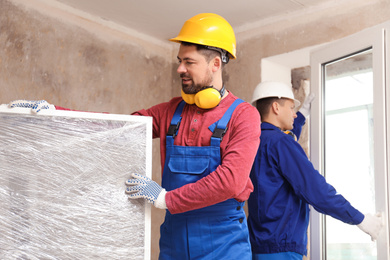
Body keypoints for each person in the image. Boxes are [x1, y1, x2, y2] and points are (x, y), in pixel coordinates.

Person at [9, 13, 260, 259]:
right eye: (179, 60)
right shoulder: (171, 111)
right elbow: (118, 129)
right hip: (174, 240)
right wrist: (55, 114)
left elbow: (231, 180)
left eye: (189, 62)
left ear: (215, 63)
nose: (179, 68)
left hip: (224, 243)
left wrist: (165, 198)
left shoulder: (243, 116)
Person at [247, 81, 383, 260]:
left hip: (258, 246)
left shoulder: (253, 141)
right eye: (291, 107)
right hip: (281, 248)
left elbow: (281, 142)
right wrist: (360, 219)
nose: (294, 113)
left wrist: (302, 116)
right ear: (276, 108)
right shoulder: (281, 143)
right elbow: (316, 190)